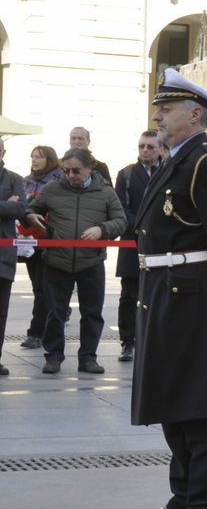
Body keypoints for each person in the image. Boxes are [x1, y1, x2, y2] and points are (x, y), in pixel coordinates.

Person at [126, 70, 207, 509]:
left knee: (198, 406)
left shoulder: (204, 162)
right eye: (159, 107)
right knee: (172, 404)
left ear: (194, 114)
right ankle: (183, 497)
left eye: (167, 108)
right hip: (163, 289)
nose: (157, 115)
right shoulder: (172, 161)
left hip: (190, 292)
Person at [24, 148, 125, 375]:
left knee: (92, 313)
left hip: (91, 262)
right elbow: (30, 209)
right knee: (55, 312)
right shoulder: (52, 189)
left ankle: (88, 358)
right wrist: (31, 216)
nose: (70, 175)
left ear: (90, 168)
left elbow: (121, 220)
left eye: (76, 171)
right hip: (56, 262)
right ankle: (53, 357)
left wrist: (102, 229)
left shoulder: (106, 193)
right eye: (66, 170)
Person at [113, 132, 165, 364]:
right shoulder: (126, 174)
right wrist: (143, 224)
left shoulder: (168, 171)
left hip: (161, 244)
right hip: (132, 242)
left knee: (158, 293)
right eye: (142, 146)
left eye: (150, 147)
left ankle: (155, 340)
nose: (145, 150)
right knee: (129, 294)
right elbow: (121, 208)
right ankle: (128, 341)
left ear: (159, 149)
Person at [19, 145, 62, 350]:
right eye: (32, 157)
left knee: (43, 289)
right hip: (30, 242)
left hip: (50, 241)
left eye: (39, 157)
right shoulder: (26, 181)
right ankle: (44, 330)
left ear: (50, 160)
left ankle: (36, 333)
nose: (34, 160)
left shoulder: (58, 180)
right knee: (39, 289)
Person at [0, 138, 27, 375]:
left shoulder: (15, 179)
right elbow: (9, 208)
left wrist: (11, 206)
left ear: (3, 151)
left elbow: (19, 209)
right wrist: (4, 205)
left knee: (1, 311)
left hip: (3, 256)